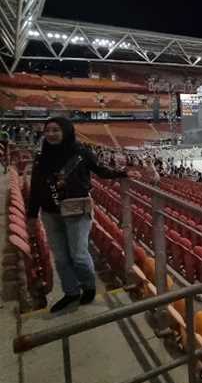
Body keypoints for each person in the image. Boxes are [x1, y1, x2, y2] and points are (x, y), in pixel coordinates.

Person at [27, 117, 129, 312]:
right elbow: (36, 186)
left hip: (77, 211)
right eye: (47, 130)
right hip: (50, 213)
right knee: (61, 258)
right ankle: (71, 292)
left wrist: (123, 173)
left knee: (79, 255)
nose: (50, 134)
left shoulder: (81, 152)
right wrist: (32, 215)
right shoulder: (42, 157)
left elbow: (100, 170)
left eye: (55, 130)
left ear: (65, 131)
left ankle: (89, 286)